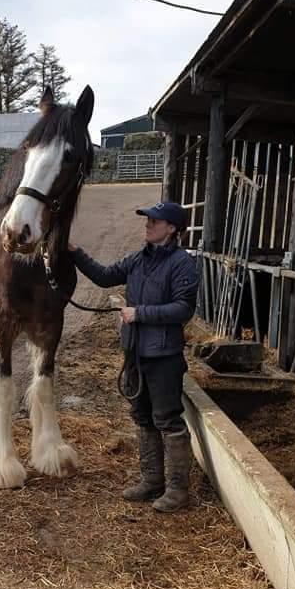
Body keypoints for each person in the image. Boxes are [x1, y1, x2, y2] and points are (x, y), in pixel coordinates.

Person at [69, 201, 198, 512]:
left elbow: (184, 309)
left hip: (163, 355)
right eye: (148, 219)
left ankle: (179, 491)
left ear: (171, 228)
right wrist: (73, 251)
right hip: (135, 353)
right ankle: (152, 480)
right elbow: (103, 276)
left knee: (167, 419)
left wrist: (140, 313)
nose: (148, 224)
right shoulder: (138, 259)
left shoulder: (182, 264)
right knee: (142, 416)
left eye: (155, 220)